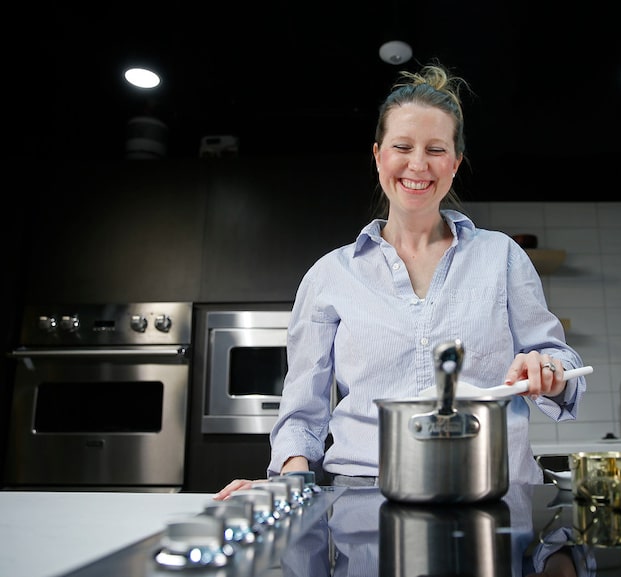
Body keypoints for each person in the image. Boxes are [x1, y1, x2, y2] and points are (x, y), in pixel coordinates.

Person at [214, 61, 586, 499]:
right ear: (378, 156)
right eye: (402, 146)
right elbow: (302, 412)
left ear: (455, 162)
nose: (417, 164)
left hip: (494, 490)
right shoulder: (330, 275)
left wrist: (549, 370)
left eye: (435, 149)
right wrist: (290, 484)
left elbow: (558, 363)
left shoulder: (502, 256)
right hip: (366, 496)